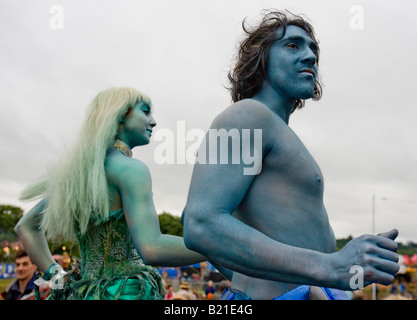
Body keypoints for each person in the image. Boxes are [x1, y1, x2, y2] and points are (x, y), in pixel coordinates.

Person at [181, 10, 400, 300]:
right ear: (261, 60)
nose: (310, 56)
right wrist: (329, 267)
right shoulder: (249, 114)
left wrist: (254, 274)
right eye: (293, 45)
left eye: (314, 49)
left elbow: (192, 219)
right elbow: (200, 224)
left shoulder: (276, 129)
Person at [15, 87, 206, 300]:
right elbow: (152, 248)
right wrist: (213, 247)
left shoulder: (77, 178)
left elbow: (25, 227)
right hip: (125, 293)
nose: (153, 121)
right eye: (145, 111)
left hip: (79, 292)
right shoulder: (131, 170)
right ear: (120, 115)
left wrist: (57, 277)